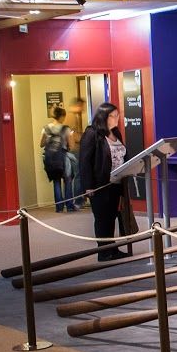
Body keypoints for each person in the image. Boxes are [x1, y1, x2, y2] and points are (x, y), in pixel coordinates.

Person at [79, 102, 128, 260]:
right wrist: (88, 186)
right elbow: (85, 161)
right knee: (102, 218)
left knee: (112, 216)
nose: (116, 118)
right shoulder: (92, 133)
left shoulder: (116, 133)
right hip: (100, 184)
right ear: (103, 117)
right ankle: (104, 252)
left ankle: (112, 248)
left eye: (117, 115)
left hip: (116, 183)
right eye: (112, 116)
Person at [39, 105, 77, 213]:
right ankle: (69, 206)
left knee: (56, 182)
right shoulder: (66, 129)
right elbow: (71, 146)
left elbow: (41, 144)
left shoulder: (45, 128)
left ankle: (59, 208)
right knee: (68, 181)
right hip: (63, 158)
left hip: (51, 159)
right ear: (61, 116)